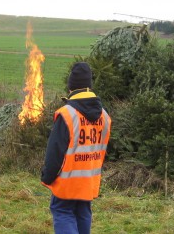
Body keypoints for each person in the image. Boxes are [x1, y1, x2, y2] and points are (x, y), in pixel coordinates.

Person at [41, 62, 112, 234]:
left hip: (67, 182)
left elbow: (55, 152)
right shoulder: (105, 116)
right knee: (83, 211)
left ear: (71, 86)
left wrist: (47, 177)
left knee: (62, 211)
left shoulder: (66, 114)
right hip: (88, 180)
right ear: (89, 85)